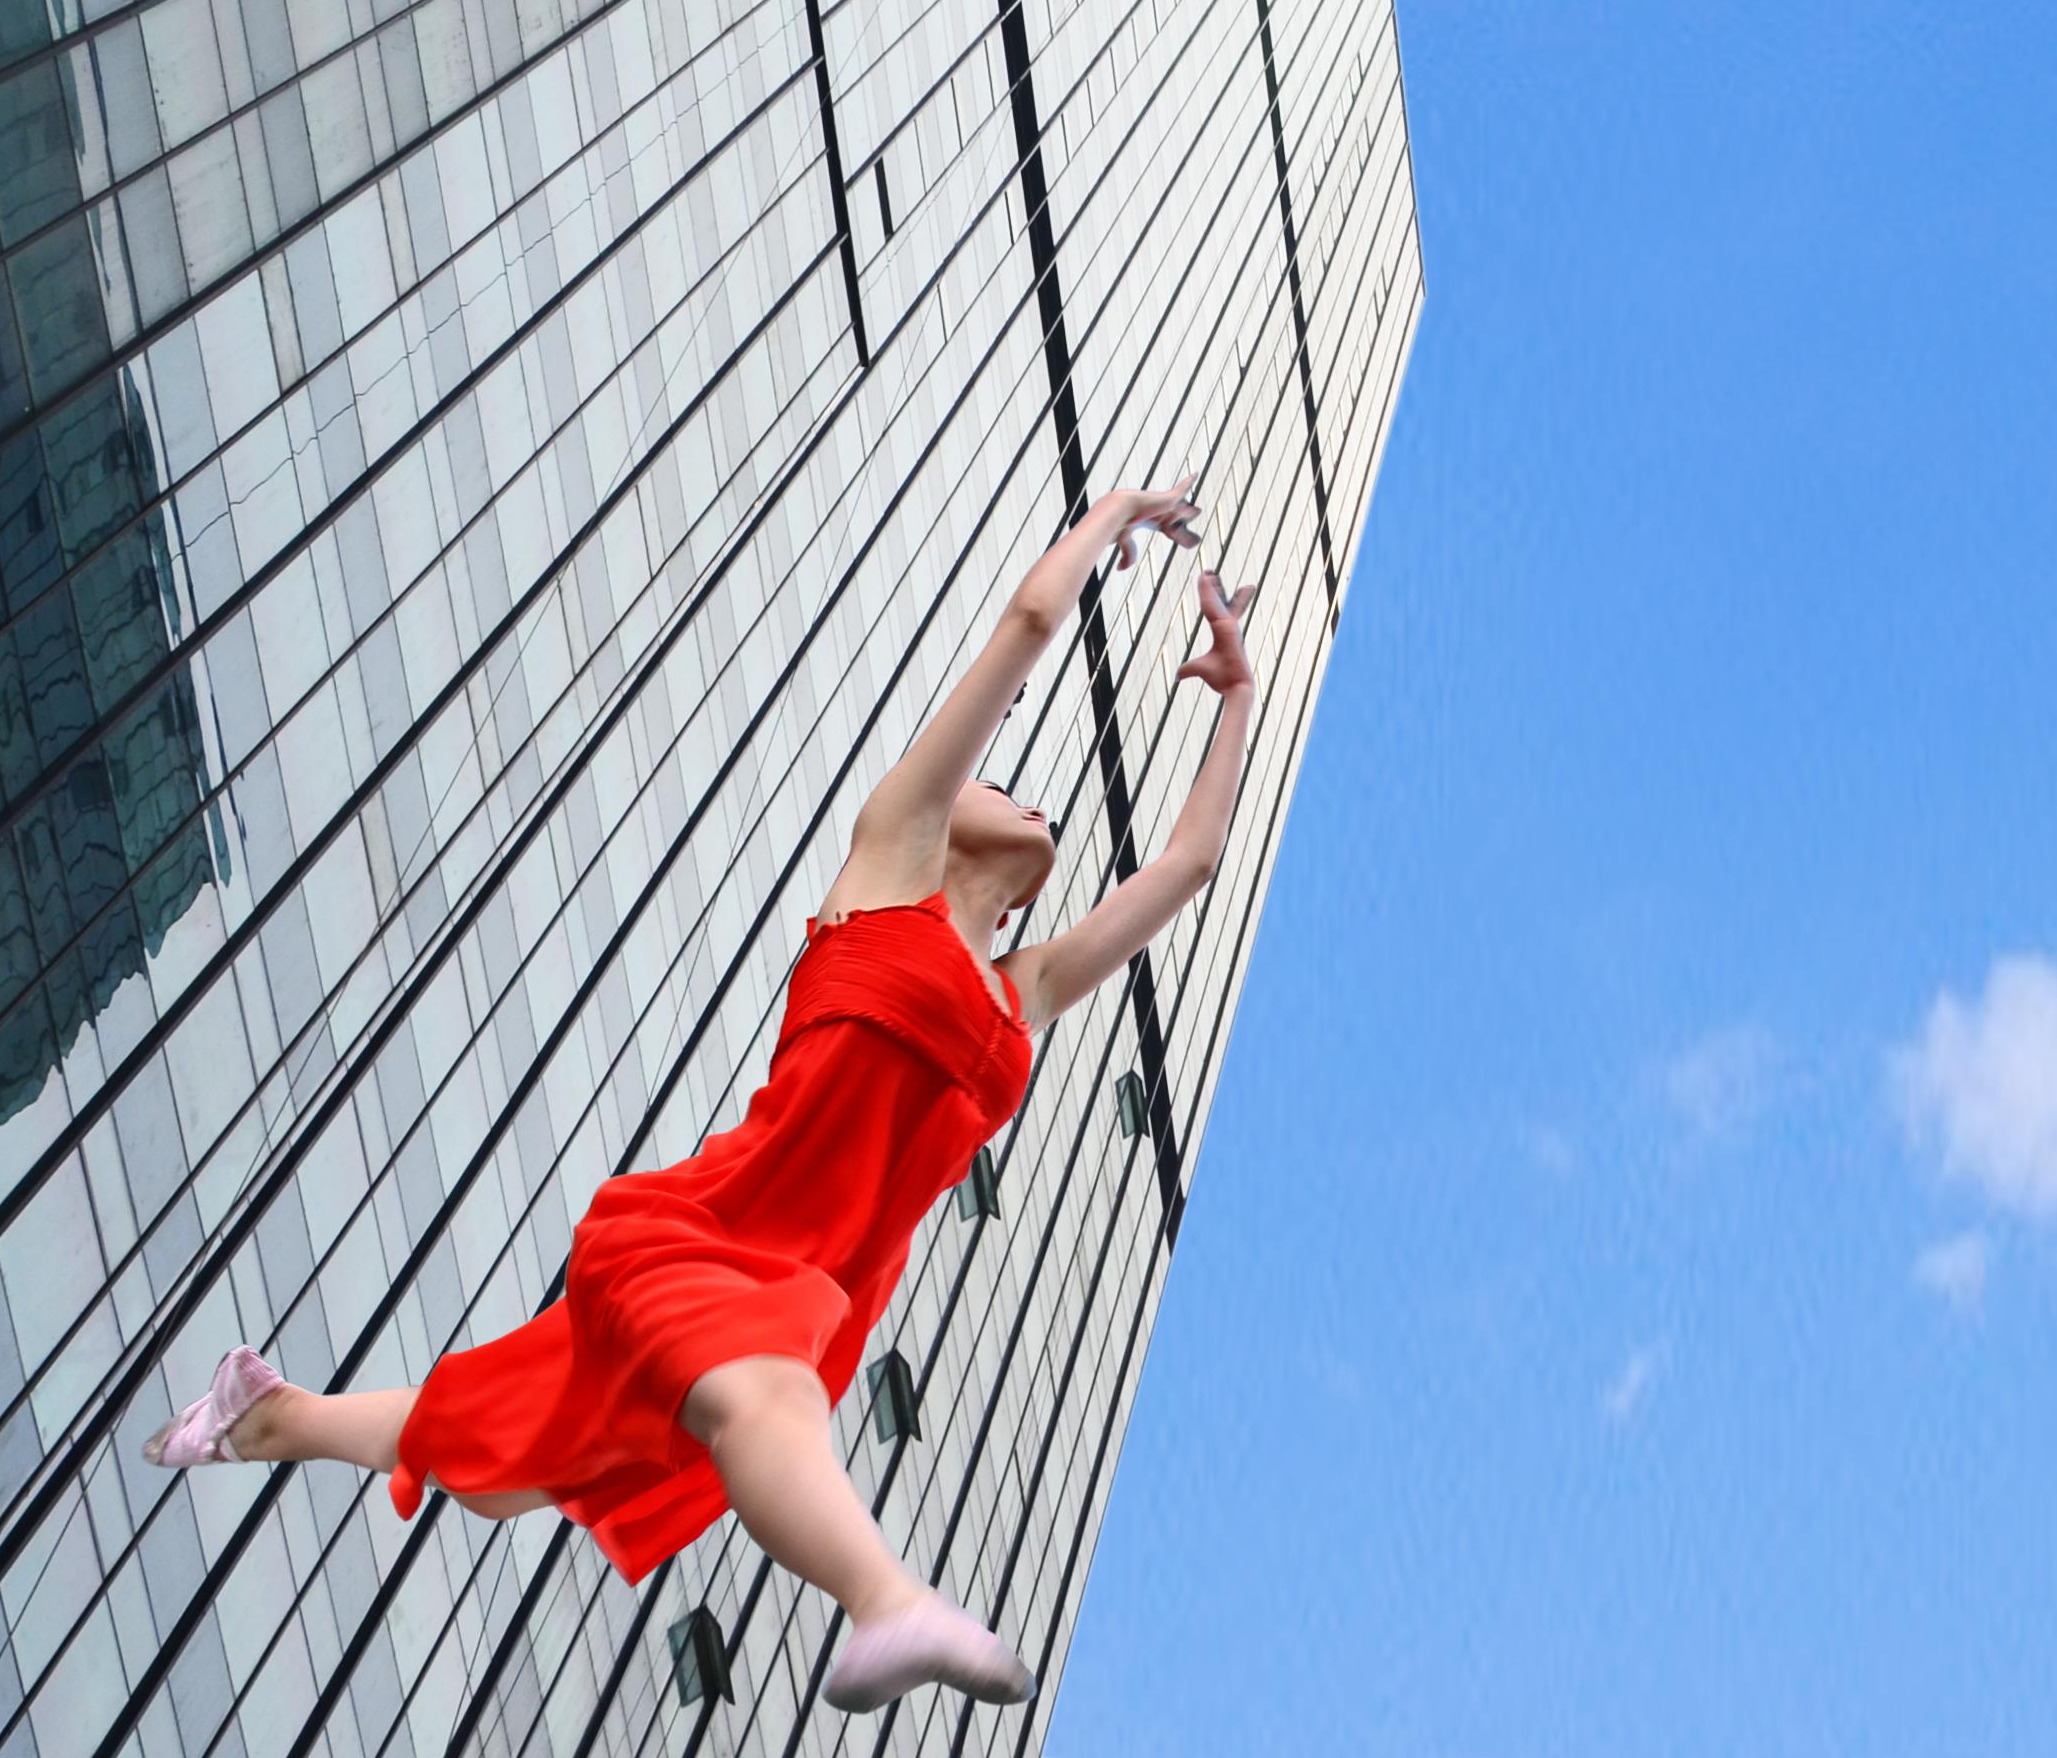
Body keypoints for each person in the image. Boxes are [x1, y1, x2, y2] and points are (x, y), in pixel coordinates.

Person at [144, 480, 1257, 1716]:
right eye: (1010, 792)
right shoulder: (886, 862)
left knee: (516, 1446)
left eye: (1038, 806)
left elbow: (1192, 862)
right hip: (702, 1237)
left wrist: (1241, 696)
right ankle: (888, 1604)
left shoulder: (1022, 996)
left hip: (805, 1291)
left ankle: (272, 1419)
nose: (1031, 799)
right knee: (736, 1398)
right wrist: (1109, 518)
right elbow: (1026, 628)